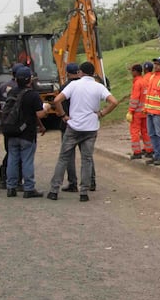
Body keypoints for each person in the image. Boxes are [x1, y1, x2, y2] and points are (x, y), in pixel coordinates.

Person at [48, 61, 117, 202]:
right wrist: (102, 113)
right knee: (87, 159)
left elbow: (57, 100)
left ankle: (54, 190)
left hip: (74, 126)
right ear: (93, 73)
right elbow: (114, 102)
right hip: (91, 128)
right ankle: (84, 192)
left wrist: (63, 115)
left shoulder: (74, 85)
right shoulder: (99, 87)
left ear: (80, 72)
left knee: (63, 158)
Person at [3, 65, 49, 199]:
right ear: (29, 80)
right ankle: (29, 188)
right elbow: (39, 114)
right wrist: (46, 108)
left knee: (12, 159)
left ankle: (11, 187)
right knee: (27, 160)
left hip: (12, 130)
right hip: (27, 132)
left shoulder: (12, 92)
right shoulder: (32, 95)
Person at [126, 62, 151, 159]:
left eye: (132, 71)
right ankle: (149, 150)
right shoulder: (145, 82)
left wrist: (130, 111)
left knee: (134, 132)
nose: (131, 73)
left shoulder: (137, 83)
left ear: (136, 72)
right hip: (145, 111)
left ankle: (137, 152)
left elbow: (135, 99)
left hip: (137, 113)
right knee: (145, 131)